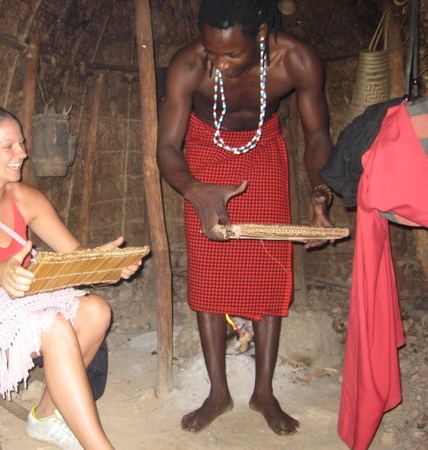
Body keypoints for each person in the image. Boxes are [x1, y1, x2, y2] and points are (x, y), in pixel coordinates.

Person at [157, 0, 334, 436]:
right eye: (210, 51)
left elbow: (316, 136)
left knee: (268, 266)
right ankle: (218, 392)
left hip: (263, 152)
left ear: (259, 34)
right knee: (208, 270)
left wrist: (320, 196)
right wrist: (193, 189)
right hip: (201, 156)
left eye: (231, 55)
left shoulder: (296, 58)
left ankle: (264, 393)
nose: (217, 64)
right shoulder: (188, 64)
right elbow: (166, 148)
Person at [0, 104, 142, 450]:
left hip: (11, 305)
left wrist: (109, 262)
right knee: (52, 325)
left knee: (97, 311)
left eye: (21, 143)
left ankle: (44, 417)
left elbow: (75, 255)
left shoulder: (26, 198)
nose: (22, 153)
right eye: (8, 146)